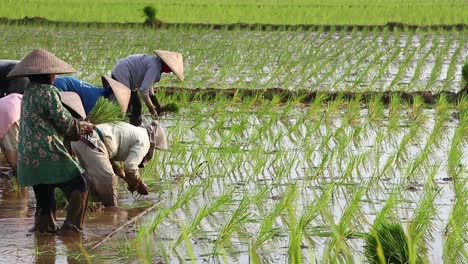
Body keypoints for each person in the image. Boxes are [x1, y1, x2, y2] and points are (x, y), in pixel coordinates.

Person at [7, 48, 95, 233]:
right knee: (81, 183)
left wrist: (75, 126)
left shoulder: (29, 91)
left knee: (45, 196)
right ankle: (71, 230)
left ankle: (43, 228)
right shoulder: (48, 92)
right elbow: (65, 123)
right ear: (48, 75)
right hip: (46, 152)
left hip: (29, 156)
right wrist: (83, 127)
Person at [71, 120, 167, 207]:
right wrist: (138, 183)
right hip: (92, 140)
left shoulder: (133, 130)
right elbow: (130, 167)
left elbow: (108, 152)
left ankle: (90, 207)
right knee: (109, 178)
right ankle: (112, 213)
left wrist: (126, 178)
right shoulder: (145, 141)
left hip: (79, 140)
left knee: (92, 179)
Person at [111, 50, 184, 125]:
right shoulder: (155, 67)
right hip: (122, 73)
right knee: (129, 106)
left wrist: (158, 105)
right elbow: (143, 90)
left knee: (136, 106)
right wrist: (151, 108)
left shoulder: (156, 63)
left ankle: (134, 127)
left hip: (126, 75)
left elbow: (149, 87)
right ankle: (127, 127)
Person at [54, 76, 130, 115]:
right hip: (61, 87)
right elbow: (86, 118)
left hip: (62, 81)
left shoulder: (99, 92)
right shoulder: (97, 102)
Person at [0, 93, 22, 176]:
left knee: (6, 145)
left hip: (8, 110)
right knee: (13, 147)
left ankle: (16, 172)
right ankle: (19, 175)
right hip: (10, 113)